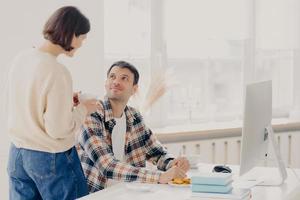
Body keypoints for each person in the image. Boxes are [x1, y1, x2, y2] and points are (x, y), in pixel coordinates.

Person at [7, 6, 100, 200]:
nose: (82, 43)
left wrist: (66, 100)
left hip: (18, 154)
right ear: (71, 34)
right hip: (49, 157)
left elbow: (30, 100)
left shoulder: (22, 58)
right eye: (82, 37)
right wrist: (83, 109)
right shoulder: (57, 71)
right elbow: (58, 129)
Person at [77, 61, 190, 193]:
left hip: (129, 191)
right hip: (96, 194)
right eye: (112, 77)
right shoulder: (91, 114)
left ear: (134, 89)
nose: (116, 82)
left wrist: (173, 163)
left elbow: (157, 153)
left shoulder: (134, 116)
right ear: (106, 83)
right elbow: (106, 165)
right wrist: (160, 176)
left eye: (124, 78)